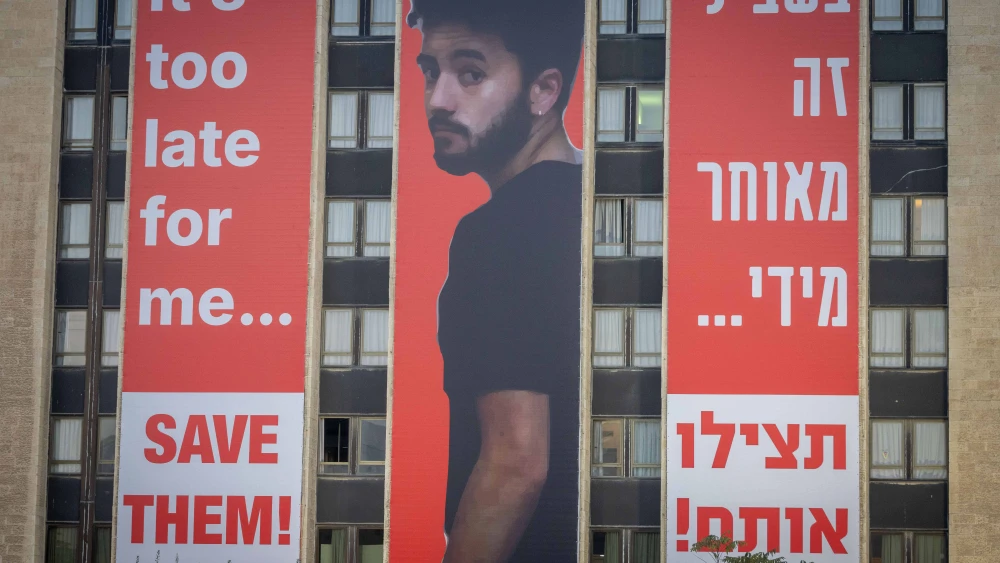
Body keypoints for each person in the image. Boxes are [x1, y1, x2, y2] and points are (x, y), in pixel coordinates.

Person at [406, 0, 585, 560]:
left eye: (471, 73)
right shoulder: (603, 208)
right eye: (431, 71)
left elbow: (515, 463)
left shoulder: (502, 230)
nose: (438, 100)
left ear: (543, 90)